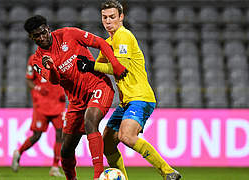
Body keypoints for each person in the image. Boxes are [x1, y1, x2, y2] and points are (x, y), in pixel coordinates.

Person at [77, 1, 182, 180]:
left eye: (112, 17)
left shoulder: (124, 36)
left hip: (140, 97)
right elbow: (98, 67)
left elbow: (120, 67)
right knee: (108, 144)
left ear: (121, 17)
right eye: (105, 17)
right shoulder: (108, 42)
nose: (108, 21)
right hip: (126, 102)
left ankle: (168, 172)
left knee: (126, 136)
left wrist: (91, 65)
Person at [24, 15, 127, 180]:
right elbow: (55, 81)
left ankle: (98, 175)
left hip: (98, 86)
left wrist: (115, 64)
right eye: (37, 36)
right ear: (31, 37)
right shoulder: (38, 60)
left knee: (90, 120)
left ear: (48, 28)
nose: (42, 37)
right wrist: (51, 67)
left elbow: (100, 42)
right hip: (75, 102)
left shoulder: (69, 34)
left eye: (43, 32)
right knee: (66, 151)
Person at [11, 54, 66, 177]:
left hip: (58, 102)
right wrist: (37, 88)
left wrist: (65, 90)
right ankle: (19, 152)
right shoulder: (33, 59)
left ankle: (55, 167)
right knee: (37, 135)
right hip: (42, 104)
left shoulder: (60, 56)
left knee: (60, 134)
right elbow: (29, 80)